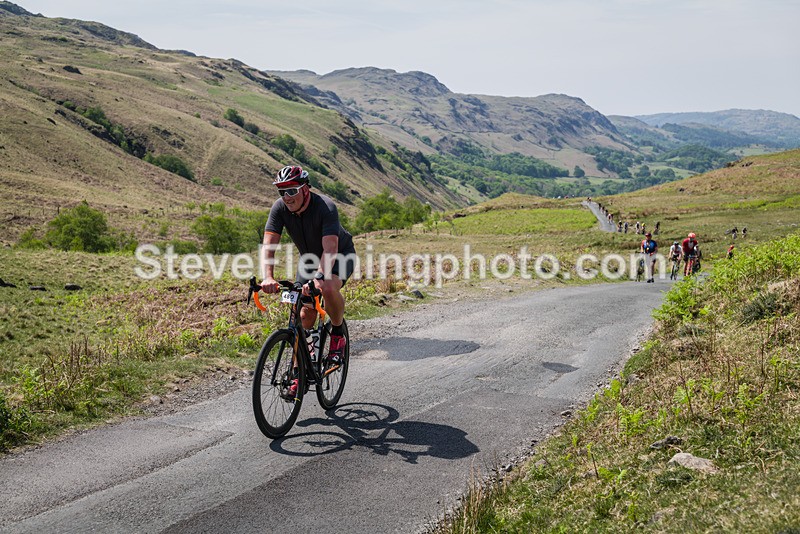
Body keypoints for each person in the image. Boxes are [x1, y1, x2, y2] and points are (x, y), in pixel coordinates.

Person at [259, 165, 356, 396]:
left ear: (305, 189)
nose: (286, 197)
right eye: (282, 191)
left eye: (292, 190)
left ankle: (337, 333)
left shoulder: (325, 207)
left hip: (339, 254)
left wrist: (320, 279)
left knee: (328, 285)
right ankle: (299, 373)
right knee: (302, 314)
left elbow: (330, 248)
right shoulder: (280, 208)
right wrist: (268, 277)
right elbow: (269, 246)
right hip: (309, 260)